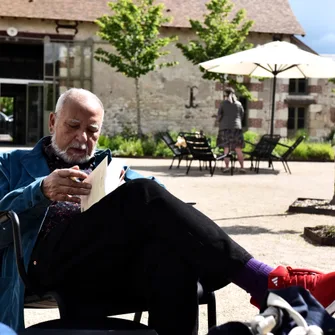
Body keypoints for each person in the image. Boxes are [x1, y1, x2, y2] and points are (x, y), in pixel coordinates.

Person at [0, 88, 334, 335]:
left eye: (92, 131)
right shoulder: (12, 164)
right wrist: (40, 191)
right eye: (73, 126)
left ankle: (270, 284)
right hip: (38, 264)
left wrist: (123, 190)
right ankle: (271, 281)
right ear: (53, 120)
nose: (82, 137)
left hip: (102, 267)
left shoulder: (112, 167)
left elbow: (160, 203)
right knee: (143, 195)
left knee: (171, 253)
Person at [216, 87, 246, 173]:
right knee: (238, 149)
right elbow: (242, 116)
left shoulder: (223, 104)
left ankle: (226, 167)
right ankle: (242, 167)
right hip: (237, 128)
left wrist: (219, 120)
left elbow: (219, 116)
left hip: (225, 129)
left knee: (226, 148)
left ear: (225, 95)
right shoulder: (239, 104)